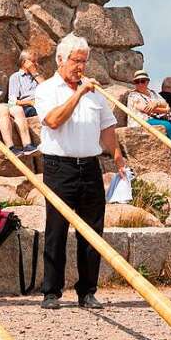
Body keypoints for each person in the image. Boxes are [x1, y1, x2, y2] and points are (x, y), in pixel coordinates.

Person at [36, 33, 126, 310]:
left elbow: (107, 128)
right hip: (58, 166)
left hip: (89, 166)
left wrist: (118, 155)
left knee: (92, 231)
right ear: (61, 60)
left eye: (84, 62)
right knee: (56, 230)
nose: (81, 67)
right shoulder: (46, 89)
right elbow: (53, 120)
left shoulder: (94, 93)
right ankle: (51, 292)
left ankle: (87, 291)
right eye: (76, 61)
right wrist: (78, 94)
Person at [127, 69, 171, 156]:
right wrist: (159, 107)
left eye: (143, 81)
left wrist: (156, 104)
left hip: (157, 117)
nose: (140, 84)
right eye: (137, 82)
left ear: (147, 82)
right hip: (143, 121)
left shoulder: (153, 93)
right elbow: (145, 108)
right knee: (168, 126)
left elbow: (167, 107)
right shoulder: (133, 95)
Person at [1, 50, 42, 155]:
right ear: (24, 62)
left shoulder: (37, 77)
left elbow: (46, 89)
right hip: (27, 107)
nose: (36, 64)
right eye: (33, 61)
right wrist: (30, 102)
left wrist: (34, 73)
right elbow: (12, 101)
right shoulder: (16, 77)